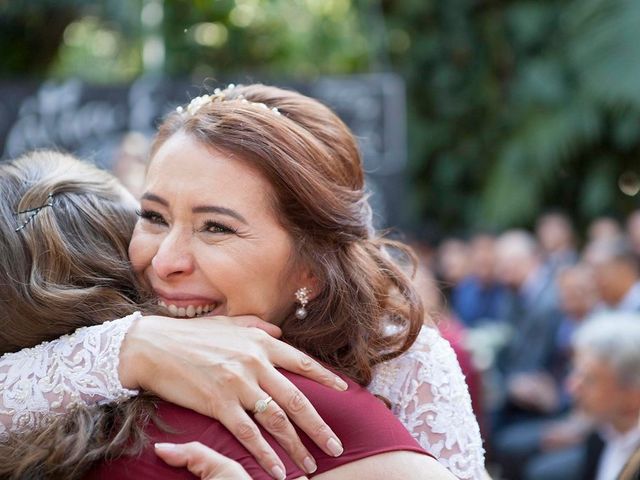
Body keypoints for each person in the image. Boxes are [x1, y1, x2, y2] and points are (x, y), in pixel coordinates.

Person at [0, 84, 484, 477]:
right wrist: (130, 350)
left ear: (310, 270)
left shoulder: (401, 359)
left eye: (216, 227)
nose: (165, 261)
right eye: (153, 216)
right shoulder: (109, 342)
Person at [524, 313, 640, 480]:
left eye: (589, 380)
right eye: (575, 372)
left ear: (633, 396)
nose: (572, 387)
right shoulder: (602, 434)